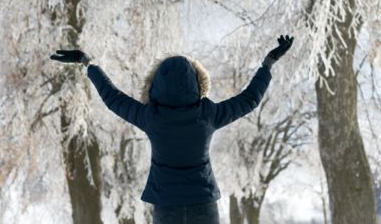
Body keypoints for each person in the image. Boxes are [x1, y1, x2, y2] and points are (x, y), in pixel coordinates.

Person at [50, 35, 294, 224]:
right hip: (203, 203)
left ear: (155, 85)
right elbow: (249, 99)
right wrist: (268, 63)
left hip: (165, 205)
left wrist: (87, 61)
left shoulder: (151, 117)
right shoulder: (208, 114)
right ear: (198, 83)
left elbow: (112, 97)